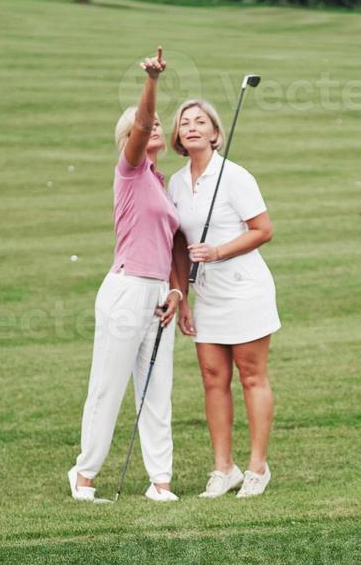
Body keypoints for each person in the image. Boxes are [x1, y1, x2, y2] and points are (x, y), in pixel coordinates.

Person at [70, 47, 187, 503]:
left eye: (161, 124)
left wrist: (176, 291)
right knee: (109, 386)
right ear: (131, 137)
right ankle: (84, 476)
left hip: (158, 295)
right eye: (149, 125)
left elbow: (174, 244)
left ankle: (161, 482)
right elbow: (141, 123)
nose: (156, 127)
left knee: (157, 391)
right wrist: (153, 82)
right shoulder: (131, 169)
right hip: (125, 291)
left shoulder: (161, 182)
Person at [169, 99, 280, 498]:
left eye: (201, 122)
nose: (193, 127)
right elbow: (178, 247)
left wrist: (218, 251)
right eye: (185, 123)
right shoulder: (176, 184)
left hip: (245, 290)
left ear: (216, 134)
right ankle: (223, 469)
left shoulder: (235, 176)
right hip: (207, 297)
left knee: (251, 377)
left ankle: (256, 468)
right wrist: (182, 297)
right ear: (178, 136)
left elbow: (262, 230)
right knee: (213, 380)